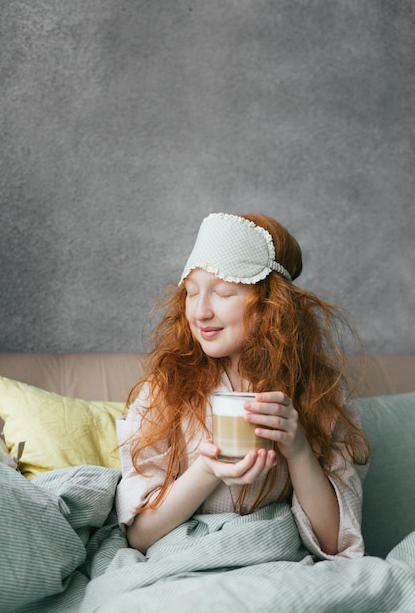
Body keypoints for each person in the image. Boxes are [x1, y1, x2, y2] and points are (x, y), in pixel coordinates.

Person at [115, 212, 370, 559]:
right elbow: (140, 537)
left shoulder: (317, 394)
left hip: (278, 563)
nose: (200, 312)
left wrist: (297, 449)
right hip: (186, 561)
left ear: (271, 304)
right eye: (191, 293)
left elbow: (335, 544)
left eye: (222, 293)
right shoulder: (166, 389)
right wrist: (208, 469)